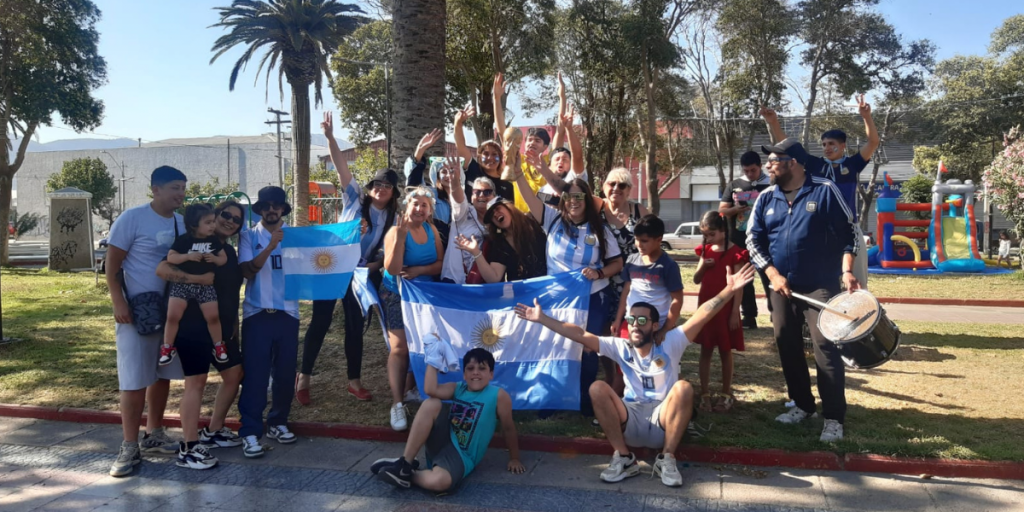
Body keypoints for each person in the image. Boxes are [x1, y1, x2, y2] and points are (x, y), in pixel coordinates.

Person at [515, 263, 756, 486]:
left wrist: (729, 289)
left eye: (642, 320)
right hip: (630, 420)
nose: (635, 325)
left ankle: (667, 459)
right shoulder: (620, 346)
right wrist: (542, 319)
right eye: (631, 319)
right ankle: (624, 458)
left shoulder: (672, 341)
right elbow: (579, 334)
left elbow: (703, 313)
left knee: (683, 388)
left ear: (654, 325)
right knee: (597, 388)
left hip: (664, 421)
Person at [747, 138, 860, 443]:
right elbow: (753, 241)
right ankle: (802, 405)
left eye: (774, 160)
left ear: (792, 163)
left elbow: (848, 233)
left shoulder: (824, 190)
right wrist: (772, 274)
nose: (768, 166)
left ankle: (834, 417)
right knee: (788, 345)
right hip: (780, 287)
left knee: (826, 349)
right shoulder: (766, 198)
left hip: (820, 285)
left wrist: (847, 269)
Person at [297, 112, 396, 405]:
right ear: (370, 187)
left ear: (393, 193)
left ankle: (354, 382)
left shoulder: (392, 216)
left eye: (387, 187)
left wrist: (376, 266)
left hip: (360, 273)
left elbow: (385, 250)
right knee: (320, 320)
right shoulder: (353, 197)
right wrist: (329, 137)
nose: (381, 189)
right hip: (333, 267)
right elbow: (342, 167)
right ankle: (303, 378)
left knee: (354, 326)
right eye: (377, 184)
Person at [517, 152, 623, 416]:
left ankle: (584, 401)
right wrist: (517, 168)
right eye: (569, 196)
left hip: (592, 298)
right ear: (562, 200)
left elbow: (617, 263)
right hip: (557, 300)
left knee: (587, 348)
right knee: (555, 347)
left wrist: (599, 274)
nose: (574, 201)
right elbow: (528, 195)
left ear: (587, 200)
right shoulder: (552, 220)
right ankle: (552, 399)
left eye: (579, 197)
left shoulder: (600, 229)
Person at [105, 166, 189, 477]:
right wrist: (118, 301)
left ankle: (154, 432)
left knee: (161, 374)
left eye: (182, 187)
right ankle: (129, 445)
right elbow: (112, 264)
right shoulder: (132, 218)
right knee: (133, 379)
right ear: (155, 189)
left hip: (170, 313)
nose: (180, 193)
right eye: (174, 188)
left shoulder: (183, 222)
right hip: (136, 313)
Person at [156, 200, 247, 469]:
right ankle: (189, 446)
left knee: (234, 374)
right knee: (195, 383)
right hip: (192, 326)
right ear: (211, 217)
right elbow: (162, 269)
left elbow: (230, 292)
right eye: (226, 215)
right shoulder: (189, 242)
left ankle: (213, 430)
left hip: (221, 329)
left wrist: (234, 325)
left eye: (237, 219)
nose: (231, 221)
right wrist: (198, 280)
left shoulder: (226, 251)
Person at [760, 97, 879, 289]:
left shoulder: (852, 164)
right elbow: (788, 146)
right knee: (826, 281)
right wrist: (773, 122)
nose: (826, 148)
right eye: (823, 144)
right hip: (821, 231)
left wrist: (866, 117)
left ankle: (862, 315)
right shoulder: (816, 165)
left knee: (857, 281)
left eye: (831, 144)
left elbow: (873, 142)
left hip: (848, 229)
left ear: (843, 146)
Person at [371, 348, 526, 492]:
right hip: (441, 441)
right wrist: (433, 358)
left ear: (491, 374)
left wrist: (514, 458)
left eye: (482, 368)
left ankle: (409, 474)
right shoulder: (458, 388)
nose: (476, 373)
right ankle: (404, 464)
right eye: (470, 369)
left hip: (462, 457)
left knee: (441, 482)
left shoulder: (498, 395)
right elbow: (430, 390)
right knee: (431, 403)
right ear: (464, 374)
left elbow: (508, 428)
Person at [237, 186, 300, 458]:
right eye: (266, 206)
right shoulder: (248, 236)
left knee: (285, 374)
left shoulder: (298, 237)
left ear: (283, 209)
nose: (271, 210)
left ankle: (278, 422)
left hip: (288, 313)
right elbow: (248, 270)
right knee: (256, 375)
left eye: (277, 206)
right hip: (257, 313)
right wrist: (272, 245)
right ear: (260, 210)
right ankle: (250, 431)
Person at [380, 186, 445, 430]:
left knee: (428, 343)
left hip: (425, 295)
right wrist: (399, 236)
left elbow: (440, 264)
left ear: (430, 210)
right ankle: (397, 404)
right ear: (407, 206)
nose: (419, 209)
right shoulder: (395, 231)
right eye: (415, 204)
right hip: (397, 294)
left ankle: (419, 389)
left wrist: (420, 271)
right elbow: (393, 269)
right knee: (400, 348)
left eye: (424, 205)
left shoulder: (432, 230)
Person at [159, 203, 228, 368]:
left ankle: (218, 345)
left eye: (213, 221)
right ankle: (167, 347)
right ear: (193, 224)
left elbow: (223, 258)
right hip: (182, 285)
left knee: (212, 317)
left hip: (206, 286)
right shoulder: (184, 240)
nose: (213, 225)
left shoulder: (214, 241)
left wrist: (215, 259)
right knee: (173, 316)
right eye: (208, 222)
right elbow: (171, 257)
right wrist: (187, 257)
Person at [692, 211, 748, 413]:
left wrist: (735, 312)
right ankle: (705, 393)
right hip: (706, 308)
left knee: (725, 350)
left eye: (711, 234)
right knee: (705, 350)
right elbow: (696, 280)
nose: (707, 238)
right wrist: (703, 269)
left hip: (726, 310)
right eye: (704, 234)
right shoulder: (705, 251)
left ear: (724, 230)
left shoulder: (736, 253)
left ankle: (726, 394)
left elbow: (739, 287)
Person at [718, 151, 772, 328]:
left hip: (767, 239)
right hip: (740, 239)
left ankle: (777, 313)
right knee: (745, 278)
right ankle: (749, 316)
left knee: (769, 276)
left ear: (761, 166)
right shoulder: (735, 185)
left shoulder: (771, 184)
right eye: (746, 170)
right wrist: (736, 209)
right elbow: (722, 210)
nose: (750, 174)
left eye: (753, 170)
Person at [611, 214, 683, 342]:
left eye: (644, 241)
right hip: (631, 324)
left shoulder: (668, 266)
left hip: (656, 328)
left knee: (655, 361)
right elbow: (626, 292)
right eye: (636, 239)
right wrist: (618, 319)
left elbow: (677, 300)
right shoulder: (632, 260)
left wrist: (665, 329)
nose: (639, 244)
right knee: (627, 360)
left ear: (659, 239)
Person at [453, 193, 548, 283]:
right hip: (522, 296)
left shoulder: (534, 221)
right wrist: (476, 253)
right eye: (491, 215)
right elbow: (494, 278)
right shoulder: (500, 244)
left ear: (508, 207)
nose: (495, 214)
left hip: (550, 288)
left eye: (498, 208)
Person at [439, 157, 490, 284]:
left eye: (487, 192)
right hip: (454, 280)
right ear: (471, 196)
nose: (481, 196)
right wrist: (455, 182)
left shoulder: (497, 220)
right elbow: (458, 200)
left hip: (482, 284)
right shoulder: (464, 212)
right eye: (476, 192)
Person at [453, 105, 514, 202]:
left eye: (495, 154)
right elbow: (460, 146)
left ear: (501, 157)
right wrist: (458, 123)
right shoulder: (473, 169)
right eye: (486, 154)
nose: (490, 158)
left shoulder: (507, 186)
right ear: (480, 157)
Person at [406, 129, 456, 247]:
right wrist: (420, 150)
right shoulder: (430, 194)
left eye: (452, 171)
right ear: (437, 175)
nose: (448, 175)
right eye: (444, 171)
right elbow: (413, 184)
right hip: (433, 246)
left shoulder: (463, 199)